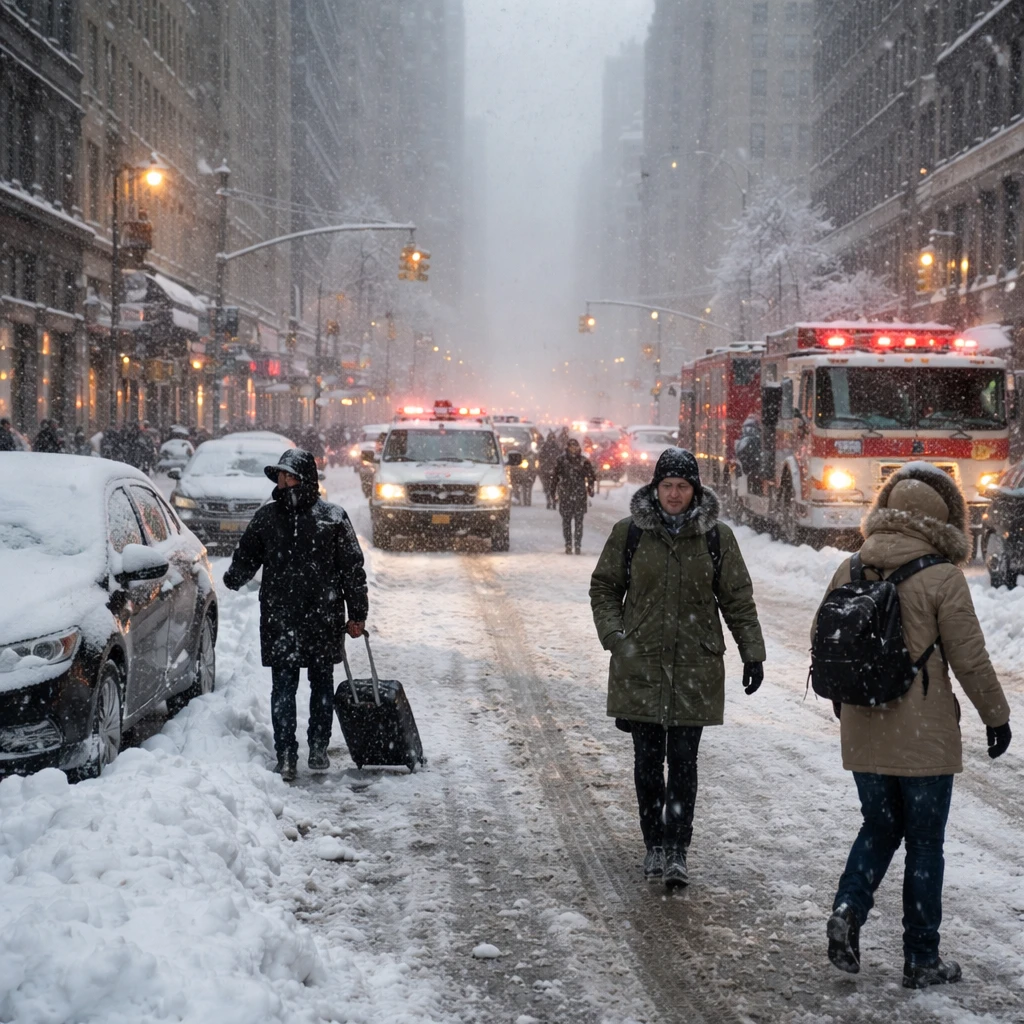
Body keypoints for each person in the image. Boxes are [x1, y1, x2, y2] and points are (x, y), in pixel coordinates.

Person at [819, 464, 1011, 990]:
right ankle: (921, 957)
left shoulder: (850, 568)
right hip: (922, 731)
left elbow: (825, 640)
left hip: (862, 724)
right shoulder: (941, 576)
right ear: (942, 518)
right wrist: (996, 717)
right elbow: (969, 659)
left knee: (879, 827)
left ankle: (848, 910)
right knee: (925, 843)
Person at [590, 447, 765, 887]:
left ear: (695, 490)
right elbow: (604, 588)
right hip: (641, 664)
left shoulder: (716, 537)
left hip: (695, 667)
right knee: (648, 762)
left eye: (682, 486)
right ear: (655, 487)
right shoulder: (629, 534)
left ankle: (677, 850)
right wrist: (615, 638)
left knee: (684, 762)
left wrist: (753, 652)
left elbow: (738, 599)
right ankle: (653, 844)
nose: (673, 494)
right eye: (666, 485)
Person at [223, 448, 368, 782]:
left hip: (322, 616)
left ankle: (318, 748)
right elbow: (247, 556)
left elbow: (352, 570)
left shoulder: (332, 517)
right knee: (283, 688)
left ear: (306, 479)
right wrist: (234, 577)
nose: (284, 482)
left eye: (290, 476)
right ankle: (286, 754)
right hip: (281, 617)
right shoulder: (267, 518)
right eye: (281, 476)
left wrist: (357, 614)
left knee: (321, 684)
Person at [550, 438, 596, 554]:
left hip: (580, 494)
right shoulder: (561, 461)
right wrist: (552, 491)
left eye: (575, 447)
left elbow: (591, 476)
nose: (573, 449)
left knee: (579, 521)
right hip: (565, 494)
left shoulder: (583, 461)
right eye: (571, 446)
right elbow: (555, 477)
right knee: (566, 521)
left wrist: (590, 488)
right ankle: (568, 544)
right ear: (568, 447)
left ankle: (578, 544)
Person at [538, 431, 560, 509]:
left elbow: (540, 457)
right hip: (551, 469)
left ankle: (550, 500)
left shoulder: (544, 446)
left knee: (547, 486)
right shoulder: (556, 447)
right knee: (553, 486)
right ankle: (552, 500)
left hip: (547, 469)